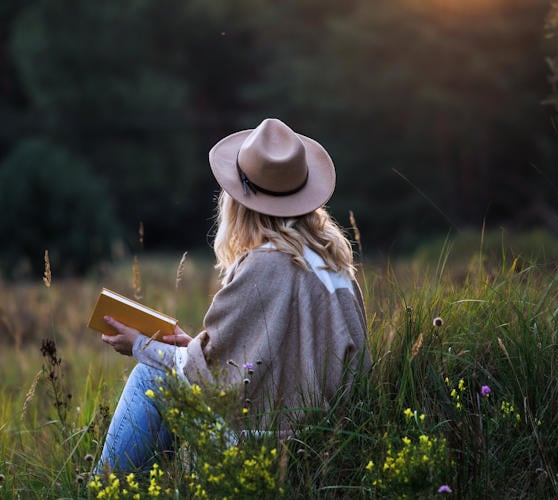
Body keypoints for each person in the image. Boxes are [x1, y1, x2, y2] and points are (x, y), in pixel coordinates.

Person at [97, 118, 372, 473]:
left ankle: (101, 490)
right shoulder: (337, 269)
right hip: (328, 450)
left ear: (239, 204)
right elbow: (268, 360)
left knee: (149, 378)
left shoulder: (265, 264)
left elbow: (211, 378)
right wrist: (192, 347)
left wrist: (140, 346)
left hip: (268, 449)